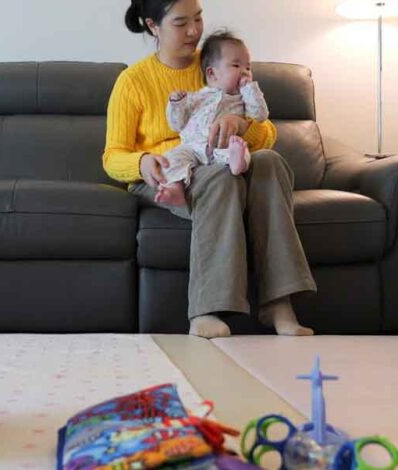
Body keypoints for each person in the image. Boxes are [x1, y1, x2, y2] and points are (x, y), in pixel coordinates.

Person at [104, 0, 316, 338]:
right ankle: (206, 311)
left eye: (198, 18)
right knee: (221, 179)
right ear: (153, 26)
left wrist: (240, 123)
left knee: (270, 161)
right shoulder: (133, 81)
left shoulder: (221, 60)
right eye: (180, 23)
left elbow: (268, 132)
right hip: (170, 172)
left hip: (221, 158)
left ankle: (278, 303)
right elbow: (113, 156)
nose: (193, 31)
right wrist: (141, 162)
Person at [155, 30, 267, 207]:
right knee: (171, 159)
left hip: (221, 148)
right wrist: (176, 104)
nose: (245, 72)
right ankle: (175, 189)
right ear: (212, 74)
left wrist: (250, 89)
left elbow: (260, 114)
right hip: (192, 148)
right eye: (236, 66)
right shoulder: (198, 97)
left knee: (239, 148)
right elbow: (177, 124)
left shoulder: (243, 98)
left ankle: (238, 164)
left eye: (248, 67)